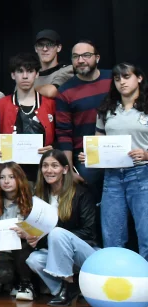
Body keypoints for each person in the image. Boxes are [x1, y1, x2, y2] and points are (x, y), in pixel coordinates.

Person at [25, 150, 99, 306]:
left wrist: (51, 235)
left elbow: (89, 232)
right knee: (34, 260)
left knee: (57, 233)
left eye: (54, 165)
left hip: (85, 253)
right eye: (45, 166)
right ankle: (64, 290)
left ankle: (68, 283)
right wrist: (32, 237)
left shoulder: (81, 194)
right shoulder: (38, 197)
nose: (49, 170)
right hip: (58, 256)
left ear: (65, 169)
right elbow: (42, 235)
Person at [89, 62, 148, 257]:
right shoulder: (107, 109)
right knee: (112, 236)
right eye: (117, 78)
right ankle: (116, 283)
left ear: (139, 78)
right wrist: (91, 154)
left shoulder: (146, 107)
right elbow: (99, 140)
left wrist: (147, 154)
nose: (121, 82)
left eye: (126, 76)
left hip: (142, 174)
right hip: (112, 176)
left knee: (146, 234)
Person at [0, 53, 56, 183]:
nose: (25, 76)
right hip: (10, 174)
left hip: (43, 174)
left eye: (30, 71)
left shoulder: (50, 105)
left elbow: (60, 137)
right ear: (13, 75)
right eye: (20, 71)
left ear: (37, 74)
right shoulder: (1, 105)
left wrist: (54, 148)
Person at [56, 40, 112, 199]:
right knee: (91, 209)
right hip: (86, 159)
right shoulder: (65, 91)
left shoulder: (114, 80)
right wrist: (69, 170)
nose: (80, 60)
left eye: (86, 55)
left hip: (119, 153)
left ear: (97, 57)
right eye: (76, 56)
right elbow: (63, 134)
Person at [0, 163, 37, 300]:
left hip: (23, 248)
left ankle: (26, 284)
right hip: (1, 250)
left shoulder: (32, 200)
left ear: (20, 178)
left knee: (22, 250)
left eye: (11, 177)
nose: (6, 181)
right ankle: (12, 281)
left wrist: (25, 231)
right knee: (3, 274)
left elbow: (38, 228)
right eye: (2, 177)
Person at [33, 29, 75, 97]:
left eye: (50, 44)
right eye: (40, 45)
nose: (45, 49)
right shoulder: (30, 74)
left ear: (59, 48)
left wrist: (24, 89)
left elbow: (52, 92)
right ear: (36, 48)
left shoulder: (68, 70)